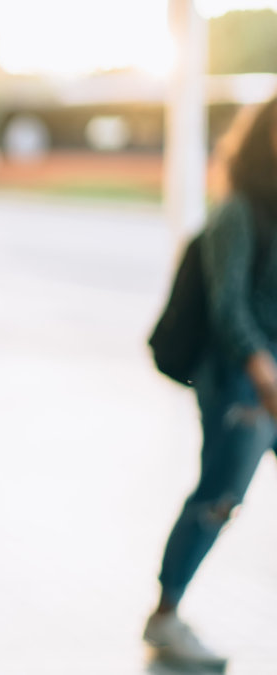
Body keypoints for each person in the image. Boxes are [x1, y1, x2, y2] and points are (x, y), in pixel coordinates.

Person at [145, 95, 277, 670]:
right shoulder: (238, 212)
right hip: (241, 385)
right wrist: (264, 376)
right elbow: (229, 308)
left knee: (220, 497)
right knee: (219, 498)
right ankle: (166, 614)